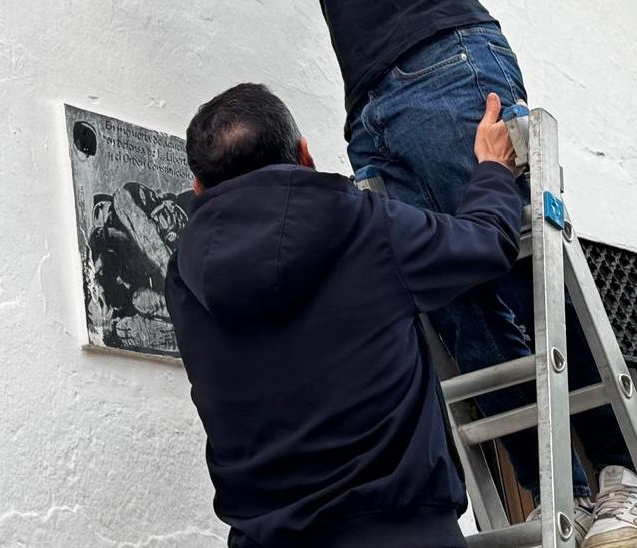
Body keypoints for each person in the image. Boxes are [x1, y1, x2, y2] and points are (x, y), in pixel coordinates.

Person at [64, 0, 637, 547]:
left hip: (437, 70)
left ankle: (620, 479)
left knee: (515, 284)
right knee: (453, 305)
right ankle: (557, 492)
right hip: (396, 87)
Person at [165, 83, 524, 548]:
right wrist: (494, 170)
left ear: (198, 187)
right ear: (305, 154)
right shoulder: (366, 224)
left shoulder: (181, 280)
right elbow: (487, 241)